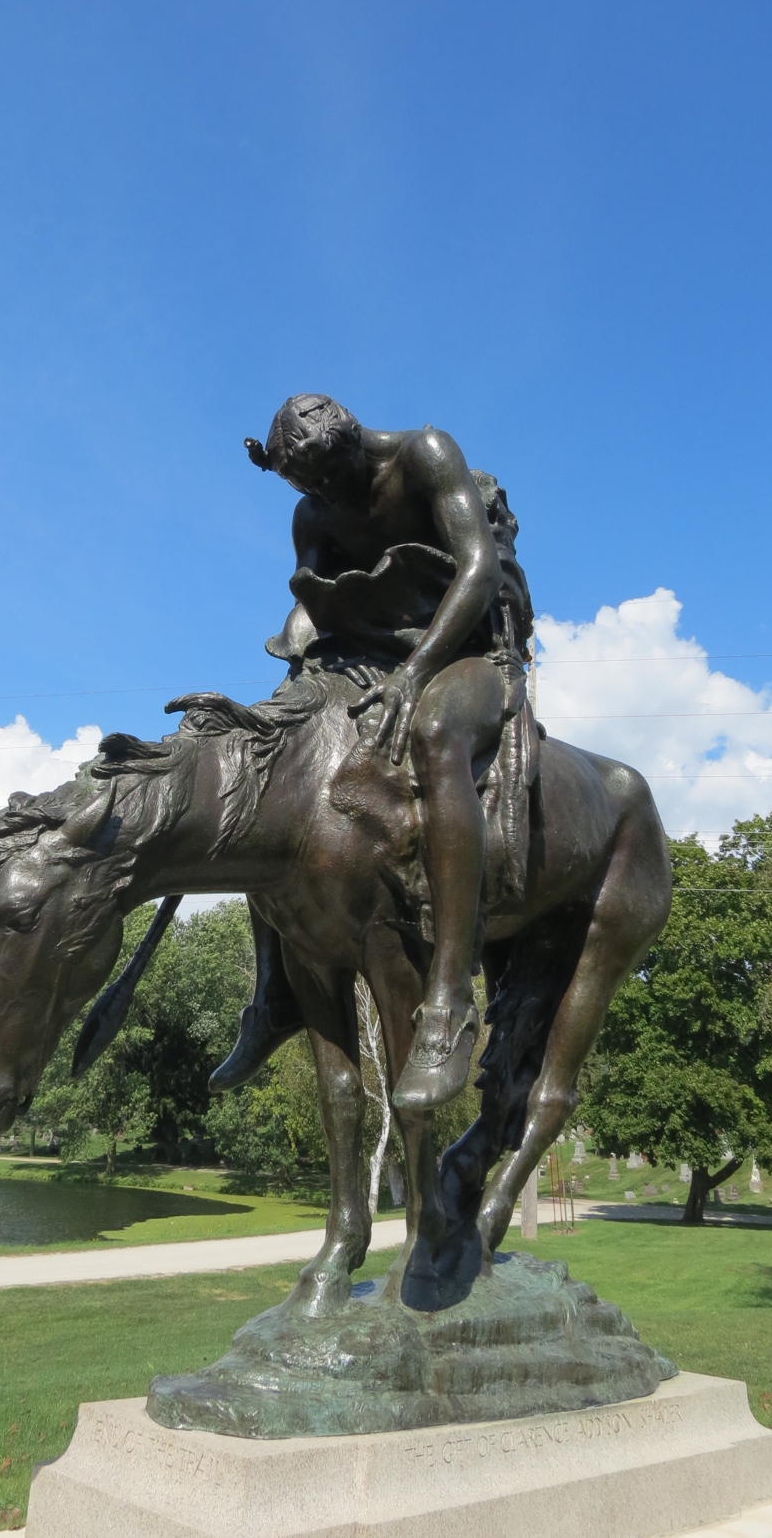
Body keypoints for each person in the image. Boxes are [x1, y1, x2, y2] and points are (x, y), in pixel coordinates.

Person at [223, 393, 533, 1112]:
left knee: (432, 733)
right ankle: (274, 993)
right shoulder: (311, 514)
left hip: (466, 648)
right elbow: (314, 602)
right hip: (365, 655)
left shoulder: (424, 454)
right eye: (307, 489)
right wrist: (295, 648)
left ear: (354, 439)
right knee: (264, 755)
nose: (323, 499)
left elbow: (478, 568)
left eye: (331, 480)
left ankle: (449, 1000)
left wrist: (418, 670)